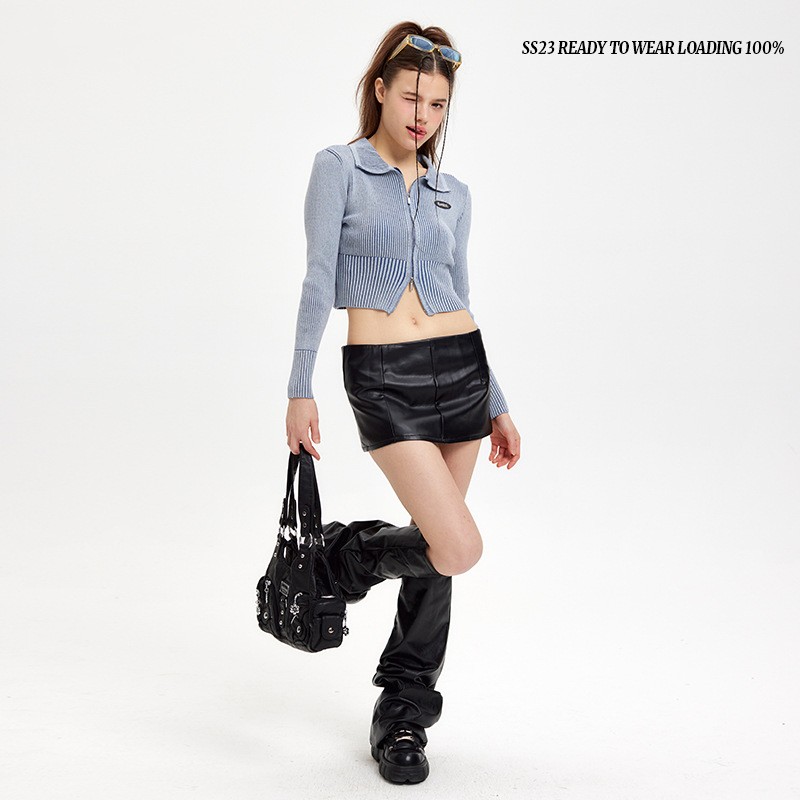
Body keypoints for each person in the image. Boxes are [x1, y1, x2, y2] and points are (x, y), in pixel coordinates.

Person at [284, 21, 521, 785]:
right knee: (456, 545)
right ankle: (348, 556)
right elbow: (318, 278)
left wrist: (497, 401)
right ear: (381, 90)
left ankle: (404, 712)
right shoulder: (340, 168)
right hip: (383, 374)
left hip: (461, 374)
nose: (424, 115)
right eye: (412, 97)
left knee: (437, 556)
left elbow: (461, 296)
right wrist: (299, 387)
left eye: (438, 104)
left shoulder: (455, 194)